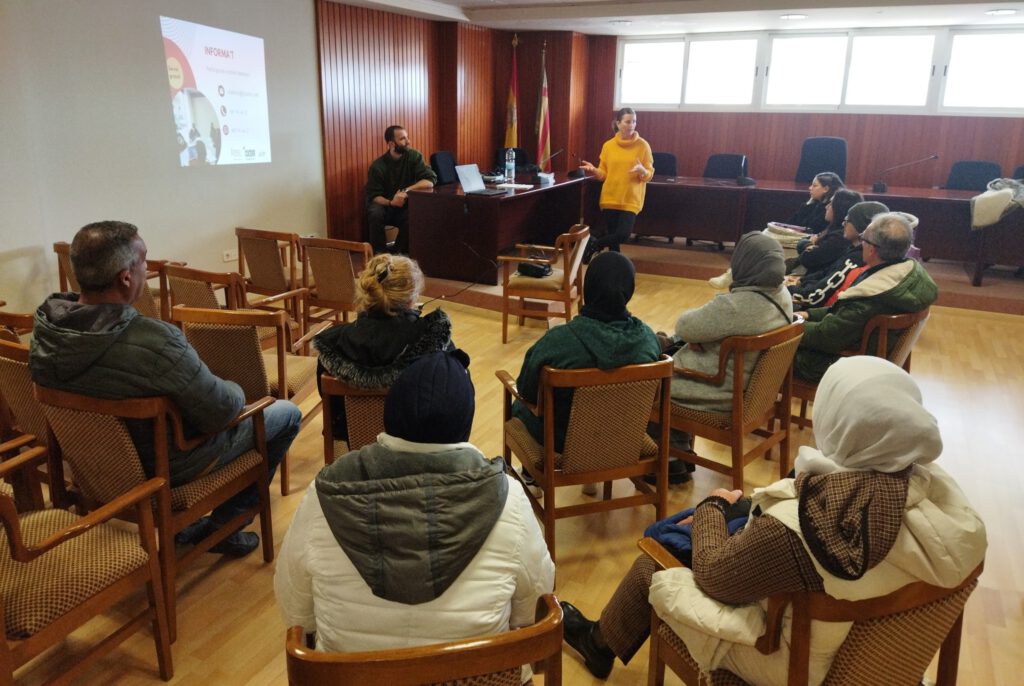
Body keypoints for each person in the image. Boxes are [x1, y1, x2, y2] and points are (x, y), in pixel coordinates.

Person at [558, 356, 986, 683]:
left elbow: (713, 575)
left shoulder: (802, 533)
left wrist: (712, 507)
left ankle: (598, 642)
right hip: (879, 664)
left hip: (789, 665)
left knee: (659, 554)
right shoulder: (953, 512)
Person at [275, 352, 555, 684]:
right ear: (465, 422)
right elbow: (532, 610)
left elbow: (296, 613)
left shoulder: (325, 496)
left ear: (390, 412)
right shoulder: (508, 499)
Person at [30, 221, 301, 557]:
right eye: (144, 262)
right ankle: (221, 529)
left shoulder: (47, 329)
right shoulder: (155, 341)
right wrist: (234, 387)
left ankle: (190, 528)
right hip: (164, 467)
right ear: (125, 277)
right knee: (286, 413)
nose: (147, 269)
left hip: (94, 464)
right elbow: (221, 412)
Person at [510, 252, 661, 494]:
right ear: (629, 289)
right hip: (624, 438)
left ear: (588, 287)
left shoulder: (558, 340)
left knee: (519, 407)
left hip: (562, 444)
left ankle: (531, 477)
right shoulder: (648, 340)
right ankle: (593, 478)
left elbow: (527, 392)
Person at [657, 232, 794, 480]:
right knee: (669, 345)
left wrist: (697, 335)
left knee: (647, 382)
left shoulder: (736, 306)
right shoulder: (782, 295)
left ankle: (671, 458)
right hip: (755, 392)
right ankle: (678, 451)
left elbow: (685, 325)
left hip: (717, 393)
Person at [313, 253, 456, 442]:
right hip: (419, 450)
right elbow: (454, 400)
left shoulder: (332, 345)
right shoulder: (436, 341)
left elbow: (332, 407)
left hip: (354, 451)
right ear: (412, 298)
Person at [794, 212, 937, 383]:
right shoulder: (908, 278)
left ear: (872, 249)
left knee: (768, 355)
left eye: (863, 238)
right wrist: (809, 315)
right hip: (872, 362)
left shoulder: (873, 297)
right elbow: (844, 312)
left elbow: (826, 336)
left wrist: (789, 325)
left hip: (846, 366)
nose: (860, 243)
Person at [710, 171, 844, 288]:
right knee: (758, 238)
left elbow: (812, 228)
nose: (810, 188)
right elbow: (792, 222)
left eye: (814, 185)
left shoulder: (830, 208)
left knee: (762, 240)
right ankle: (733, 275)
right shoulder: (815, 204)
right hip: (799, 236)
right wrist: (808, 204)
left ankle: (732, 276)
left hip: (806, 240)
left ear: (826, 188)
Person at [579, 107, 654, 261]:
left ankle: (594, 244)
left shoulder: (643, 145)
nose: (631, 125)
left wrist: (642, 171)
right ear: (618, 123)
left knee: (622, 235)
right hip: (610, 196)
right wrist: (594, 170)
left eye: (634, 121)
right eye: (628, 121)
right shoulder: (608, 145)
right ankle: (615, 269)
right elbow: (604, 174)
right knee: (614, 241)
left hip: (630, 198)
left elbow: (649, 174)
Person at [790, 200, 889, 310]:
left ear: (861, 226)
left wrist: (786, 289)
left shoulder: (856, 259)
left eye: (847, 220)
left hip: (816, 314)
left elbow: (813, 297)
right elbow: (826, 274)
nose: (843, 224)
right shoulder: (855, 250)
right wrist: (803, 282)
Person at [365, 124, 437, 255]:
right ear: (392, 143)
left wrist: (406, 191)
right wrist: (391, 202)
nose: (408, 141)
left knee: (414, 213)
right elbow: (374, 196)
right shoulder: (377, 166)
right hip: (385, 205)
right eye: (403, 139)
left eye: (407, 137)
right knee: (375, 212)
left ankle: (399, 253)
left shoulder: (414, 156)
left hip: (404, 204)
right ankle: (380, 255)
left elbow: (429, 181)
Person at [788, 188, 864, 279]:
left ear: (840, 209)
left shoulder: (840, 237)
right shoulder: (833, 228)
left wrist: (807, 244)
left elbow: (807, 259)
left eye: (831, 204)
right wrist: (810, 245)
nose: (826, 207)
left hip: (811, 279)